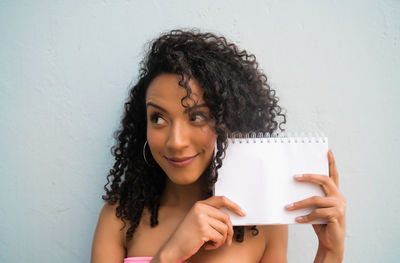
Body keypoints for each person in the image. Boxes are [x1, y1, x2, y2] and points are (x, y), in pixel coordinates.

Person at [91, 29, 346, 263]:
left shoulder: (263, 222)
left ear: (228, 122)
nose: (176, 142)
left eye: (197, 116)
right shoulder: (120, 218)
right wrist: (170, 253)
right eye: (158, 118)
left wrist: (329, 251)